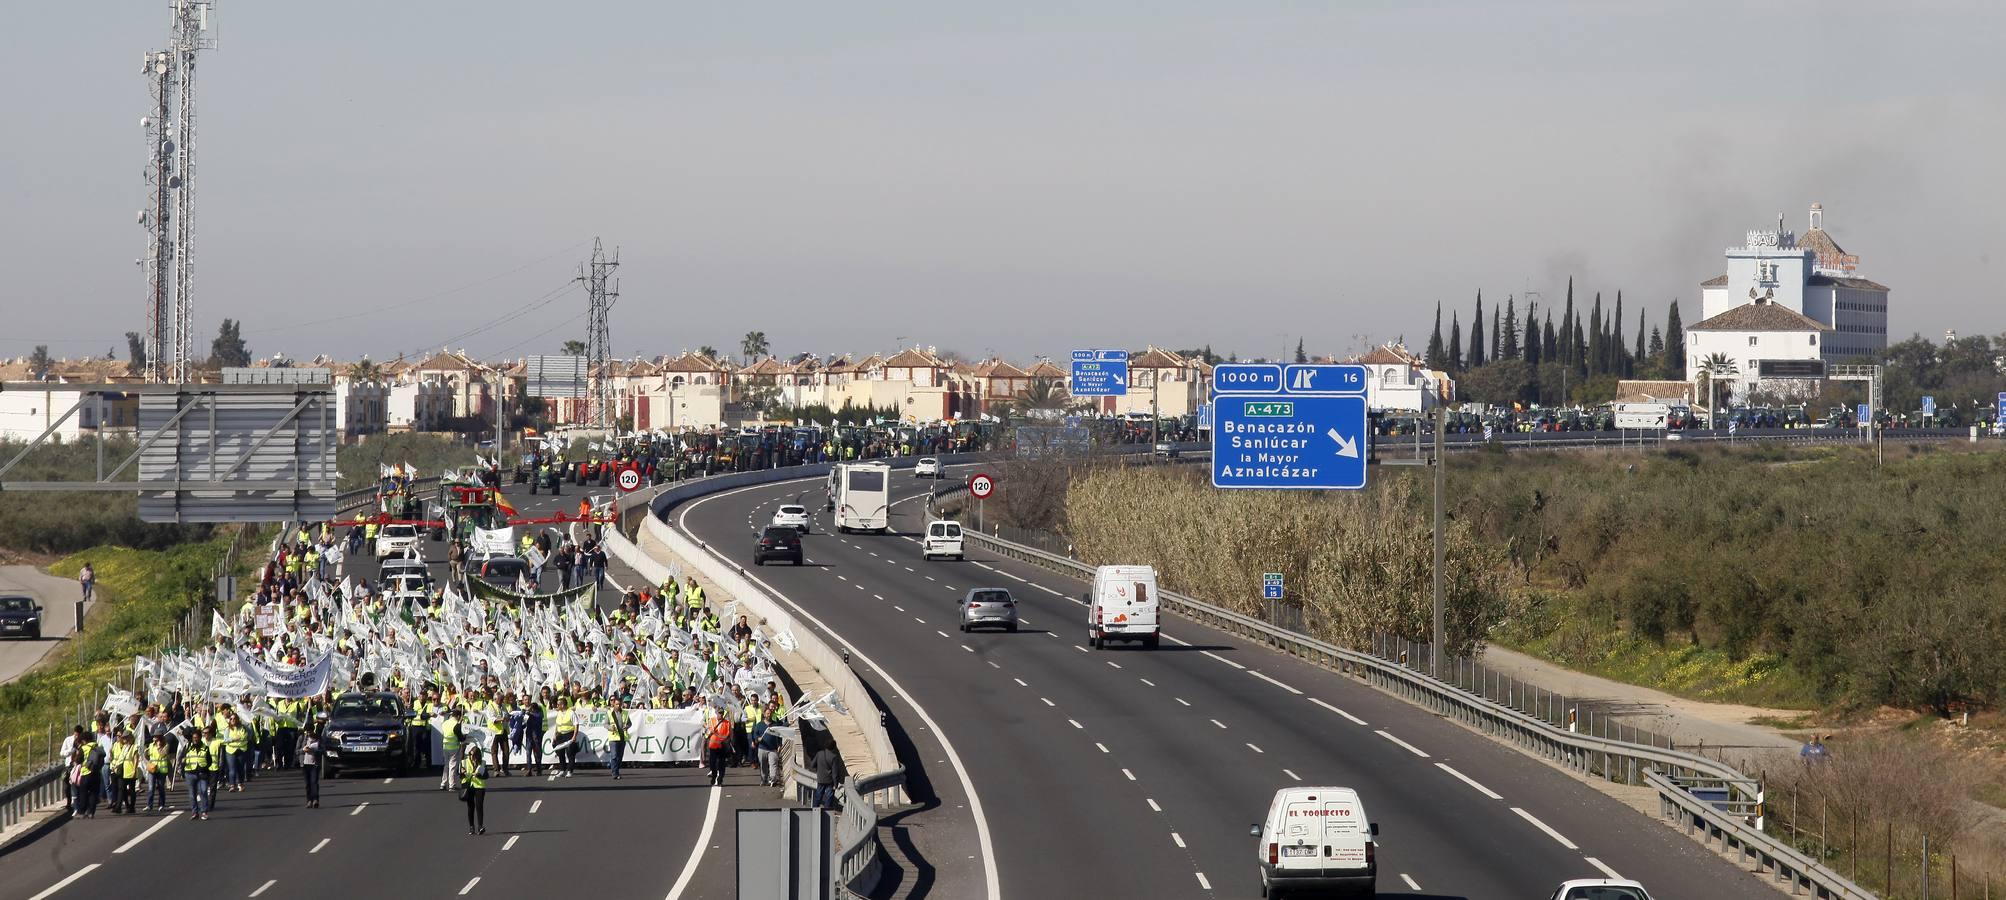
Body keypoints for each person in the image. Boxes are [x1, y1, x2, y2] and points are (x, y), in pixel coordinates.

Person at [461, 745, 488, 835]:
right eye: (470, 754)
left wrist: (479, 775)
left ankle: (480, 826)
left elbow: (486, 776)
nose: (471, 757)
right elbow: (460, 776)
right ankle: (471, 827)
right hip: (468, 786)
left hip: (479, 786)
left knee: (479, 806)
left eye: (473, 755)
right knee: (470, 807)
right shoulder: (464, 762)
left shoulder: (482, 763)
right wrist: (463, 773)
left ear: (478, 756)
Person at [438, 705, 465, 792]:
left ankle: (443, 783)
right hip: (454, 747)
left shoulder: (445, 723)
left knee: (446, 765)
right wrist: (465, 736)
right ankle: (452, 785)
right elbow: (461, 737)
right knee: (452, 766)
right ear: (458, 716)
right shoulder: (456, 725)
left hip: (445, 746)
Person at [144, 733, 172, 812]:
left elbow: (163, 754)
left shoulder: (166, 745)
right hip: (152, 769)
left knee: (161, 787)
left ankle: (161, 804)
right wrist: (146, 752)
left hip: (161, 770)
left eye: (157, 737)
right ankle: (149, 805)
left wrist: (159, 747)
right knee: (151, 788)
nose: (155, 738)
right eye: (154, 737)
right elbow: (147, 755)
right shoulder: (151, 745)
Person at [810, 742, 843, 809]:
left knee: (818, 795)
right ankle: (827, 811)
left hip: (820, 779)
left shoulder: (819, 754)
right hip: (829, 781)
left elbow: (812, 765)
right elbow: (835, 773)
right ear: (834, 747)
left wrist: (819, 768)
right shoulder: (834, 757)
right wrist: (836, 784)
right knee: (829, 796)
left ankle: (814, 809)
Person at [551, 698, 578, 777]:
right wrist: (554, 734)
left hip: (569, 734)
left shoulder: (571, 713)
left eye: (558, 704)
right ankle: (562, 770)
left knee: (570, 753)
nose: (557, 706)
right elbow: (557, 725)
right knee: (560, 753)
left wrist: (574, 736)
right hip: (560, 735)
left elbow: (576, 725)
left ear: (563, 705)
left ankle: (570, 771)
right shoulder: (559, 713)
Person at [705, 707, 732, 787]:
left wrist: (720, 738)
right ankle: (713, 776)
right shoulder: (712, 721)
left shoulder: (727, 723)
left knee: (721, 764)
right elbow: (707, 732)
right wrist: (710, 732)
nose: (720, 714)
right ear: (716, 713)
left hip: (722, 746)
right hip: (713, 745)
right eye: (719, 713)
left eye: (722, 713)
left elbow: (727, 734)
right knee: (712, 764)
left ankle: (720, 779)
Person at [604, 697, 629, 780]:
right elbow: (605, 724)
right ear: (613, 704)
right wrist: (611, 728)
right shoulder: (609, 713)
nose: (618, 706)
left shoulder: (625, 713)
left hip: (622, 737)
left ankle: (616, 770)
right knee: (614, 756)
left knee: (620, 756)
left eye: (619, 704)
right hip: (613, 737)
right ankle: (615, 773)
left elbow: (630, 723)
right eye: (617, 704)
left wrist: (627, 726)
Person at [298, 726, 322, 808]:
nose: (309, 733)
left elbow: (323, 749)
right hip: (305, 764)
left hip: (315, 764)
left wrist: (314, 750)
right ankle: (309, 801)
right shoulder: (302, 738)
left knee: (314, 782)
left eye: (310, 731)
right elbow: (296, 751)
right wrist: (303, 750)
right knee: (307, 784)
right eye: (307, 732)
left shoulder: (318, 738)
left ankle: (315, 800)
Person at [76, 562, 94, 632]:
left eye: (88, 566)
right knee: (84, 590)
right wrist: (80, 580)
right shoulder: (82, 570)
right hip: (83, 580)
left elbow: (93, 575)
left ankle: (88, 597)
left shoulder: (91, 570)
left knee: (89, 589)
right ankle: (84, 597)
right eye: (86, 566)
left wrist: (93, 580)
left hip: (89, 581)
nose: (87, 568)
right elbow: (80, 575)